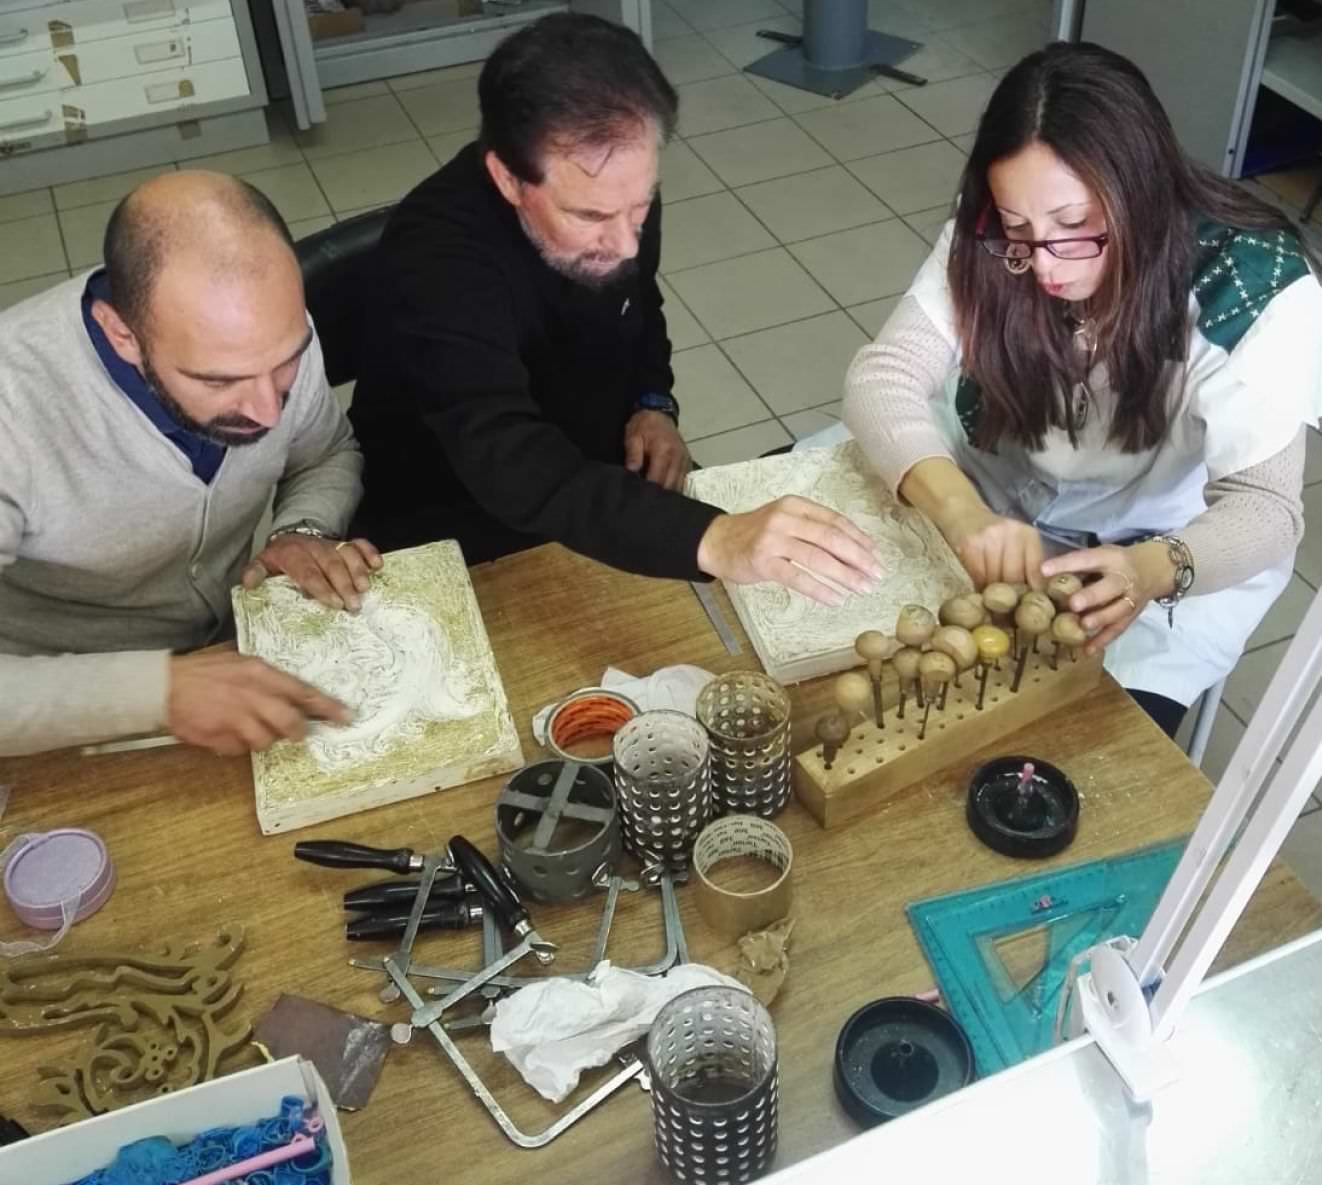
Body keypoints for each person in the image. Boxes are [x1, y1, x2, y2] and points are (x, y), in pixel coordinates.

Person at [844, 42, 1322, 737]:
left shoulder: (1249, 287)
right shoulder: (1001, 230)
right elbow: (884, 375)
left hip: (1147, 545)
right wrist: (959, 510)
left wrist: (1156, 569)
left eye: (1073, 229)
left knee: (1075, 745)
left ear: (1141, 192)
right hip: (995, 488)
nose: (1043, 266)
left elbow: (1268, 508)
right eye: (1019, 230)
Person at [350, 13, 880, 603]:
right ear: (506, 179)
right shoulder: (435, 258)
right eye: (590, 217)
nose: (626, 243)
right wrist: (715, 537)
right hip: (457, 519)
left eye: (641, 205)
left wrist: (653, 401)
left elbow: (639, 302)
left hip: (597, 474)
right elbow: (509, 459)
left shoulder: (616, 192)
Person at [0, 171, 378, 758]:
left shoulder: (269, 333)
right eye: (218, 380)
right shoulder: (12, 409)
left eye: (286, 364)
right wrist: (160, 692)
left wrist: (301, 529)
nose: (266, 410)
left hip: (229, 665)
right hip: (58, 709)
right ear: (121, 334)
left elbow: (325, 452)